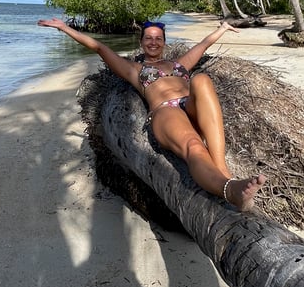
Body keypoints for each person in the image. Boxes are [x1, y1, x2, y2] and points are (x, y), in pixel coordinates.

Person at [38, 17, 266, 211]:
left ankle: (222, 169)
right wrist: (64, 28)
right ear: (142, 42)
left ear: (164, 42)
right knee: (194, 146)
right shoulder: (134, 70)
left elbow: (203, 45)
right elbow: (99, 47)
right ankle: (230, 190)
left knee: (202, 79)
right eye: (149, 38)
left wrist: (223, 28)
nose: (154, 42)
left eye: (158, 38)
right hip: (165, 111)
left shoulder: (179, 65)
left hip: (190, 105)